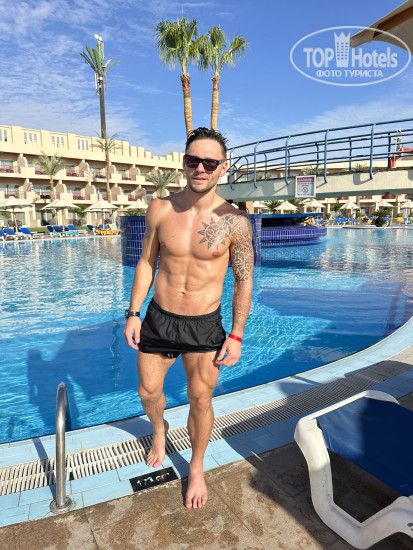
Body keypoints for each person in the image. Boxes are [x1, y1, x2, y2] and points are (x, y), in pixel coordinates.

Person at [124, 127, 254, 509]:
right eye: (193, 160)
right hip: (159, 317)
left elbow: (244, 280)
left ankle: (196, 467)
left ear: (223, 168)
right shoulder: (160, 209)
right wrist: (133, 313)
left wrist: (236, 334)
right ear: (183, 163)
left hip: (204, 325)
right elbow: (146, 263)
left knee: (200, 400)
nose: (200, 168)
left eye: (209, 163)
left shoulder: (235, 221)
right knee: (148, 392)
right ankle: (159, 429)